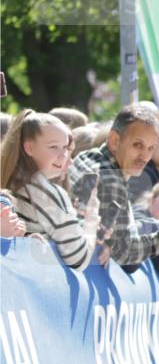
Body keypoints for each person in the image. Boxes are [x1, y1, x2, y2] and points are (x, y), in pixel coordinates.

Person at [71, 105, 159, 268]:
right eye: (138, 145)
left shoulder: (86, 156)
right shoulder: (111, 179)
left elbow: (118, 235)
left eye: (151, 148)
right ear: (114, 140)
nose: (145, 156)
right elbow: (126, 252)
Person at [1, 110, 99, 268]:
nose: (63, 156)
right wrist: (91, 221)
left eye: (65, 148)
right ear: (29, 148)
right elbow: (79, 258)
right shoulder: (45, 191)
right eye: (53, 147)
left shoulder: (13, 181)